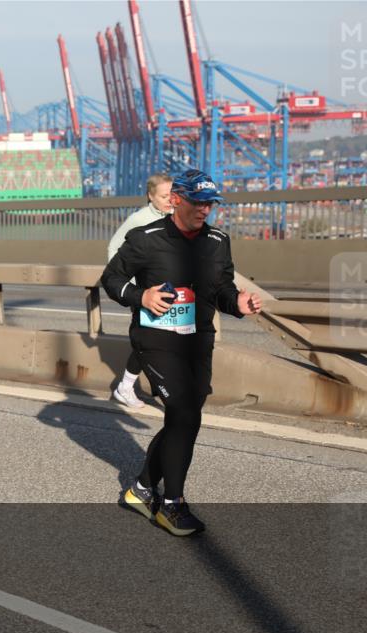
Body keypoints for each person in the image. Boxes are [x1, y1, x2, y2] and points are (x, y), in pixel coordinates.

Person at [101, 169, 262, 536]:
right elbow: (110, 279)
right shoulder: (145, 239)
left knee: (182, 418)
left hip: (197, 340)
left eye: (210, 203)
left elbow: (221, 287)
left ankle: (140, 490)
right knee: (185, 413)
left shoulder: (218, 241)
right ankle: (171, 505)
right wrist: (140, 296)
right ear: (176, 200)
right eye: (197, 202)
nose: (205, 209)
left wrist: (238, 301)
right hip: (156, 340)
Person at [107, 174, 173, 408]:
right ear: (150, 196)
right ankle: (129, 387)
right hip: (144, 293)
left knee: (163, 340)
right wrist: (131, 285)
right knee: (148, 341)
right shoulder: (139, 220)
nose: (169, 200)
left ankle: (148, 388)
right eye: (164, 196)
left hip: (167, 290)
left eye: (172, 195)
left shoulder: (174, 217)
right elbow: (114, 247)